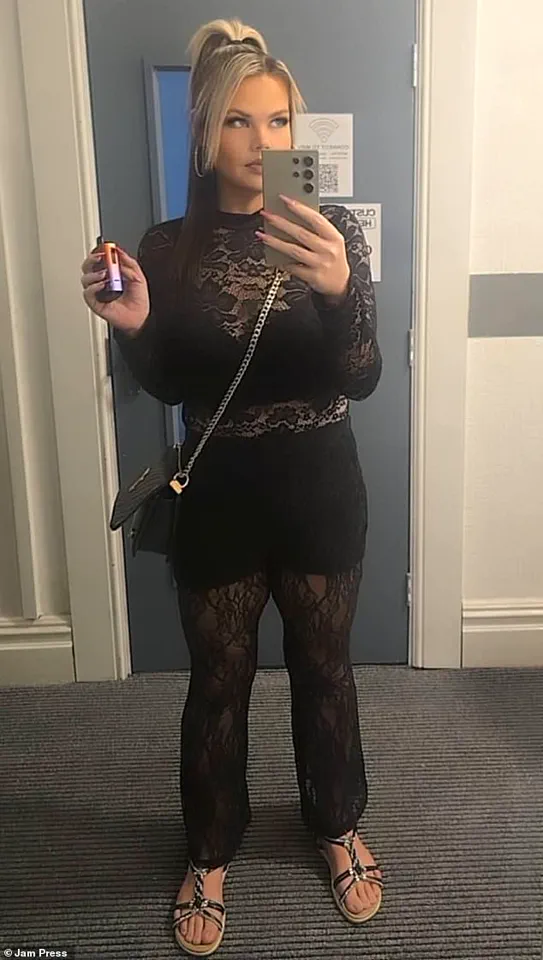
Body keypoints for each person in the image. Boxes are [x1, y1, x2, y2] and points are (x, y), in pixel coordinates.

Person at [81, 17, 384, 957]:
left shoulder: (331, 232)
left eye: (278, 120)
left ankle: (335, 824)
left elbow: (362, 377)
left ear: (297, 130)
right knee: (218, 682)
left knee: (326, 670)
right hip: (219, 490)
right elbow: (171, 382)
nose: (261, 141)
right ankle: (210, 850)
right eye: (239, 121)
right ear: (206, 132)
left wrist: (339, 291)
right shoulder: (168, 245)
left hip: (318, 484)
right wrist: (136, 325)